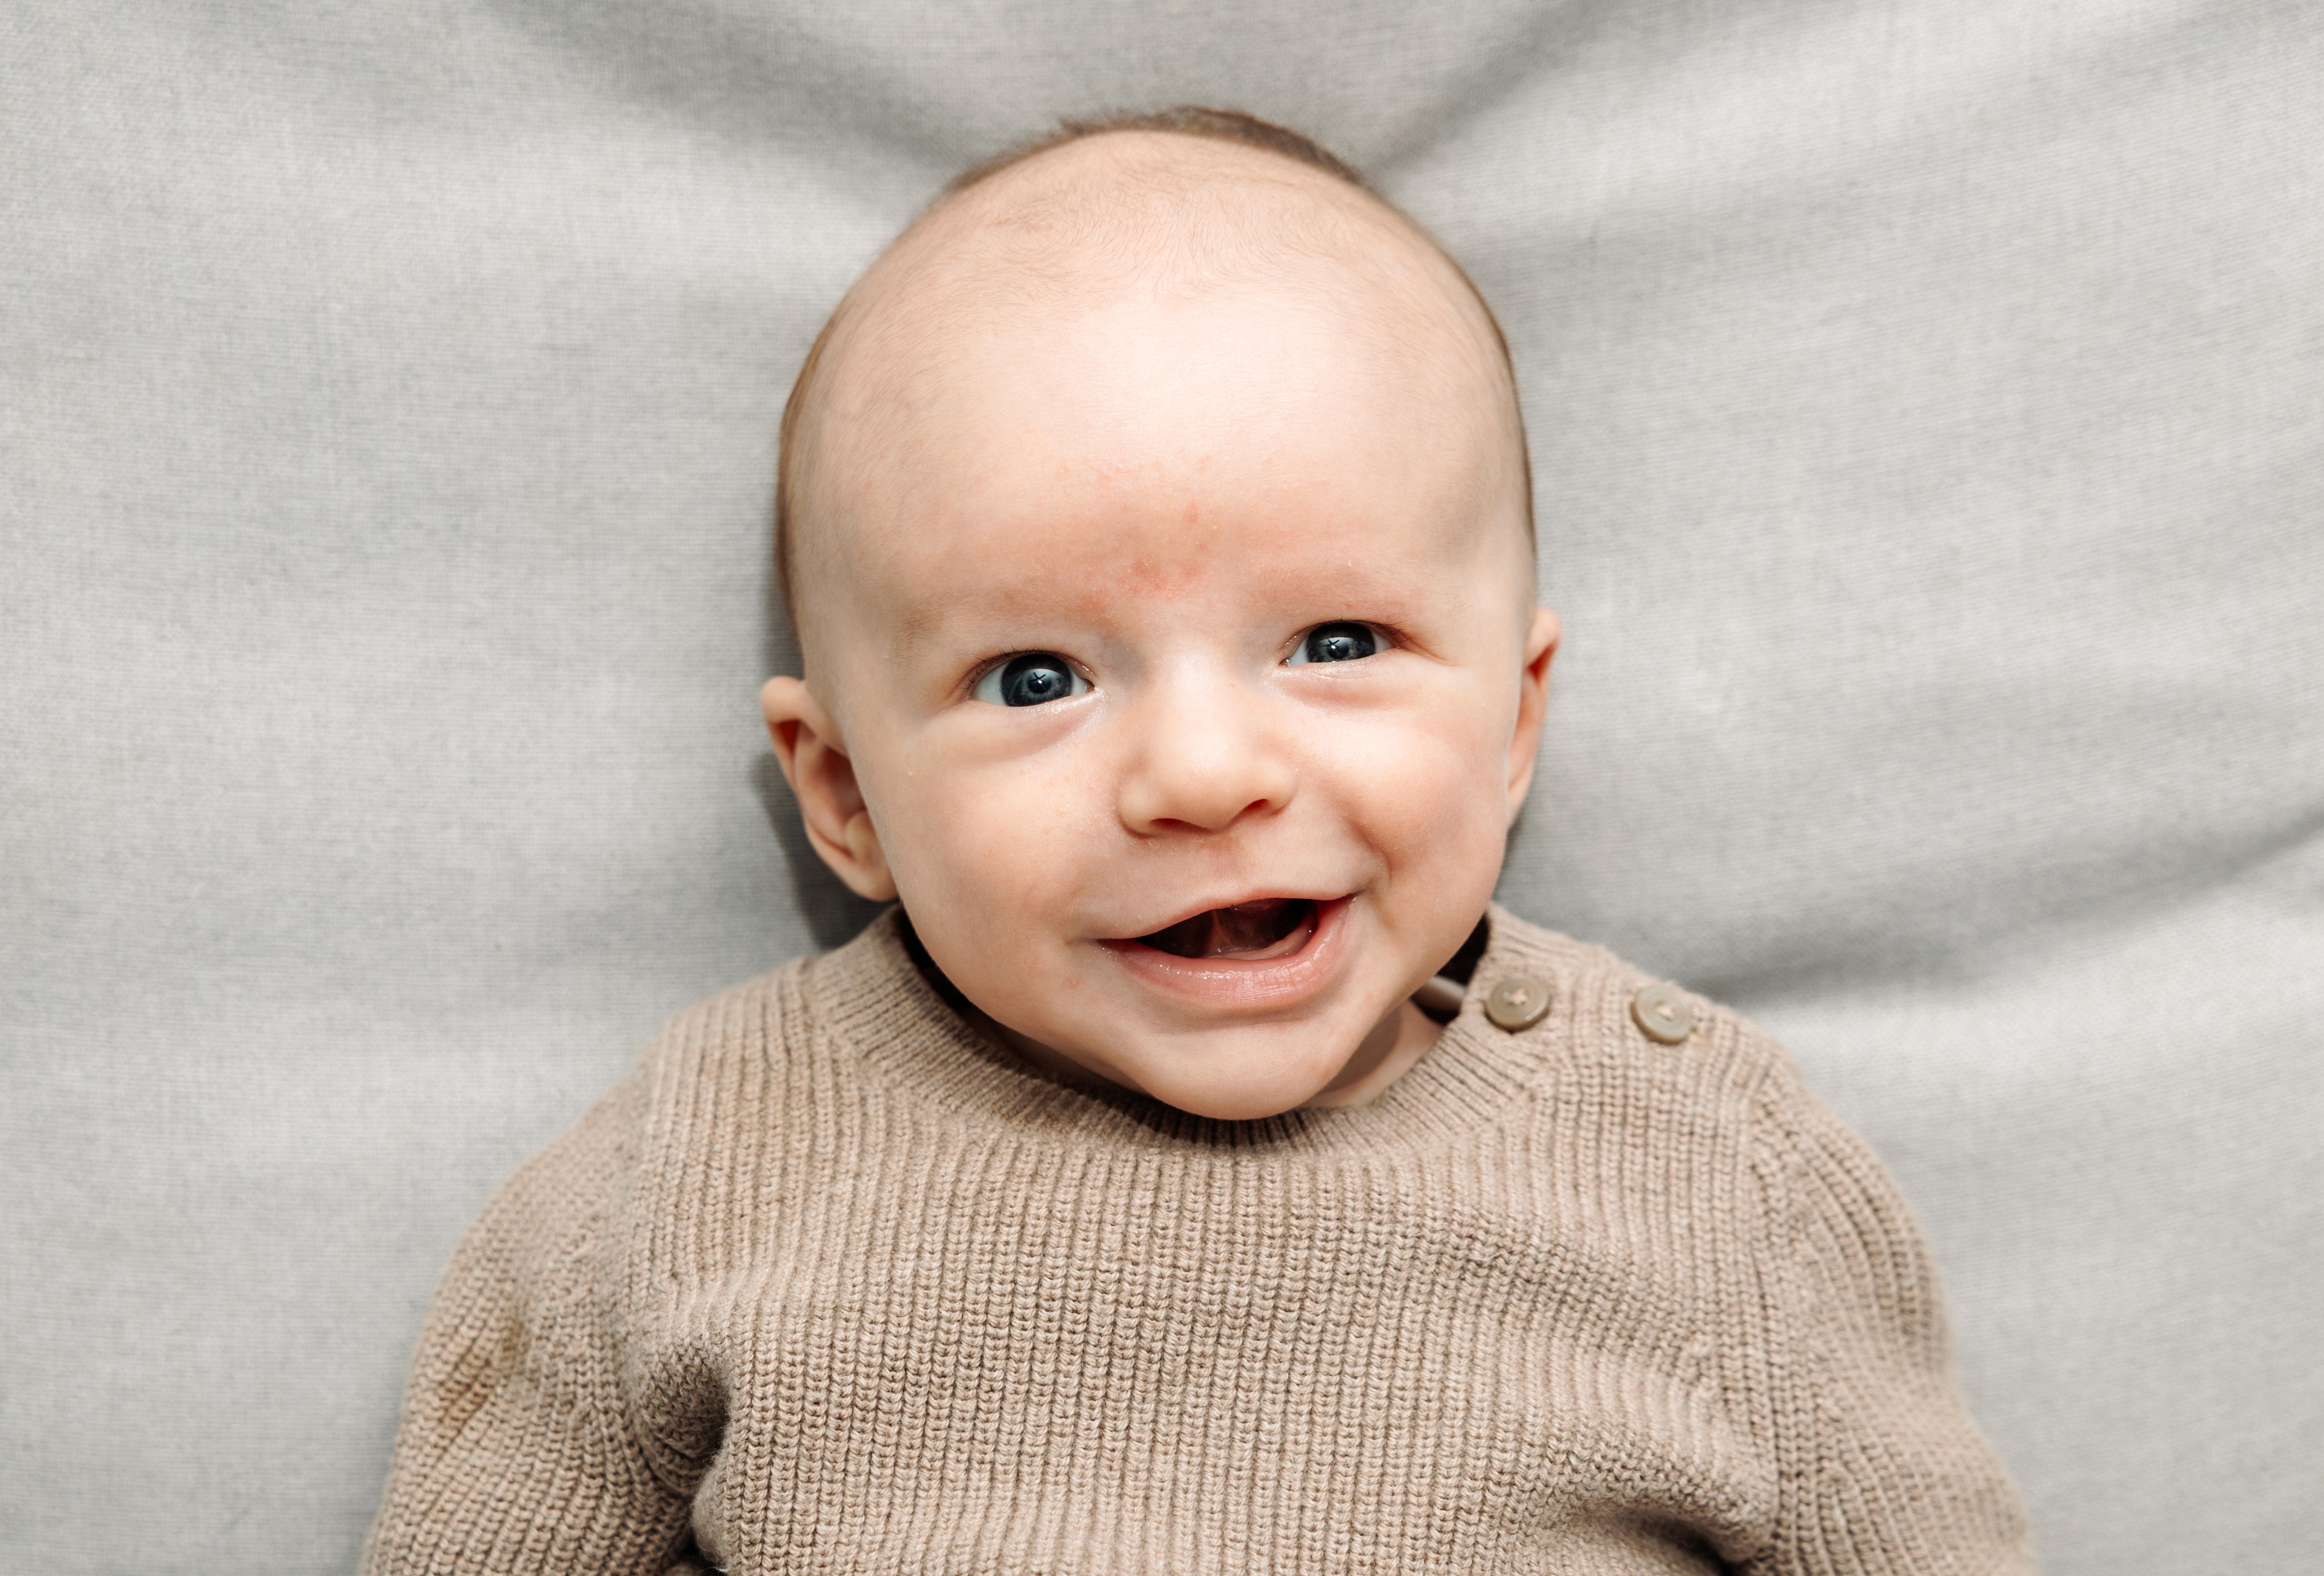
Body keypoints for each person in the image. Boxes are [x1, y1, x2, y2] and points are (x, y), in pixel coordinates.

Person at [361, 108, 2032, 1575]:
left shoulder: (1707, 1174)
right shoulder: (705, 1169)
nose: (1205, 772)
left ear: (1512, 723)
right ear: (848, 794)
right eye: (1037, 677)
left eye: (1334, 642)